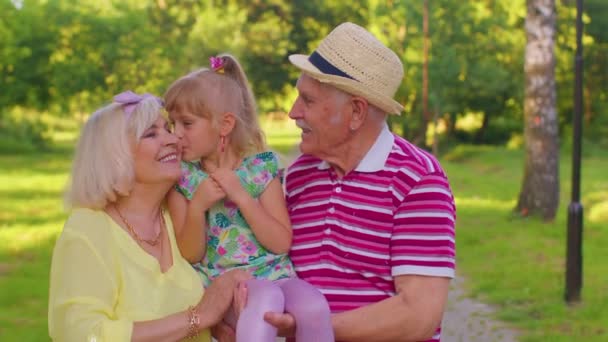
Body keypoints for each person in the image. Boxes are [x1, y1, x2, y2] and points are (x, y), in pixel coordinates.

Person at [264, 22, 457, 342]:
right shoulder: (298, 176)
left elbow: (418, 315)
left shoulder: (418, 181)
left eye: (308, 101)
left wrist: (311, 328)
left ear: (356, 112)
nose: (292, 112)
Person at [48, 91, 250, 342]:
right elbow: (82, 335)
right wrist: (199, 318)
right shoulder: (88, 228)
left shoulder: (180, 216)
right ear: (115, 156)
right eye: (151, 134)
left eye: (167, 128)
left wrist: (227, 324)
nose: (173, 138)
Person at [164, 54, 334, 342]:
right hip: (226, 285)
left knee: (314, 306)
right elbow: (190, 254)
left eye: (186, 124)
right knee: (264, 299)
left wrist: (243, 198)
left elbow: (281, 243)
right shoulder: (184, 180)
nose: (176, 134)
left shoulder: (258, 170)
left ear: (225, 125)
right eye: (172, 124)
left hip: (276, 273)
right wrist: (198, 207)